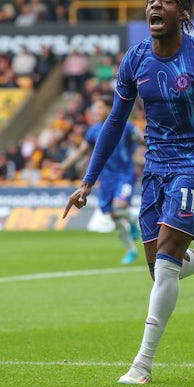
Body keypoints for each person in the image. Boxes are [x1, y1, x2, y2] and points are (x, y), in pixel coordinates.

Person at [63, 0, 194, 384]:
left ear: (182, 14)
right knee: (160, 270)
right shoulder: (135, 61)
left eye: (165, 1)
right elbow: (114, 122)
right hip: (155, 167)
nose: (155, 5)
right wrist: (88, 181)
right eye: (151, 0)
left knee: (168, 261)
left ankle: (143, 364)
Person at [58, 95, 142, 265]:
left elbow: (144, 140)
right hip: (106, 178)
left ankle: (133, 221)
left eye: (100, 107)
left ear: (110, 108)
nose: (96, 111)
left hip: (125, 174)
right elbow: (82, 151)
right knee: (112, 214)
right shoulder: (94, 130)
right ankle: (132, 250)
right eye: (95, 107)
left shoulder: (127, 127)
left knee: (119, 208)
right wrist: (64, 165)